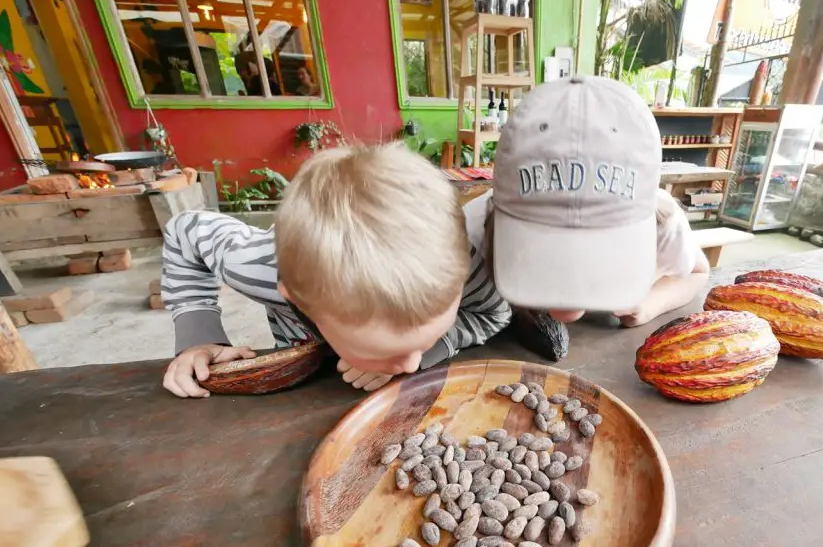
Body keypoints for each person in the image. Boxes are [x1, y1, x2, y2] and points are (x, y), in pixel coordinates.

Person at [160, 143, 512, 398]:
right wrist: (199, 337)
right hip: (299, 377)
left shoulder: (452, 262)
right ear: (296, 298)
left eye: (426, 339)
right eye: (381, 352)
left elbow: (493, 314)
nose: (410, 365)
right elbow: (184, 231)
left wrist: (440, 347)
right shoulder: (252, 265)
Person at [463, 75, 709, 328]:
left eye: (599, 251)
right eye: (547, 254)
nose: (567, 299)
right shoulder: (470, 232)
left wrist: (651, 303)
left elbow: (697, 272)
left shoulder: (662, 222)